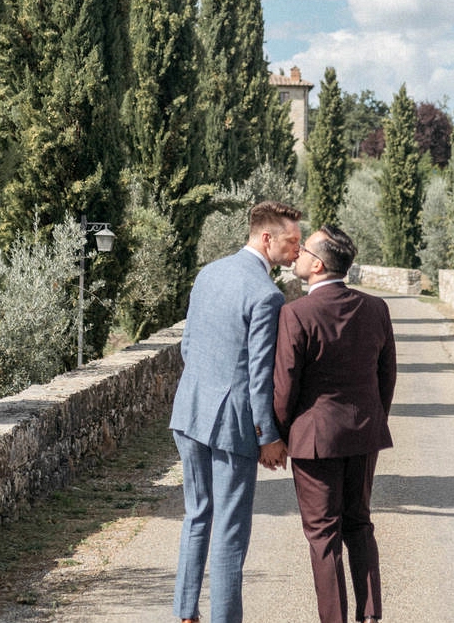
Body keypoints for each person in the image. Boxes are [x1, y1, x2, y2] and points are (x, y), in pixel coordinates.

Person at [170, 199, 302, 623]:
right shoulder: (267, 295)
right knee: (229, 530)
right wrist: (269, 436)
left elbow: (188, 346)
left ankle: (185, 613)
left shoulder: (208, 273)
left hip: (189, 411)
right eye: (292, 241)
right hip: (231, 425)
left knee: (197, 515)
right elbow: (260, 377)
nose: (297, 250)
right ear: (267, 238)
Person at [273, 224, 397, 623]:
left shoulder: (296, 314)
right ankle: (371, 616)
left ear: (318, 264)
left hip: (314, 440)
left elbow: (284, 386)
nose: (298, 254)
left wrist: (278, 435)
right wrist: (372, 419)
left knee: (323, 536)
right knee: (359, 523)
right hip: (364, 434)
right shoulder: (376, 308)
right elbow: (386, 377)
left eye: (304, 249)